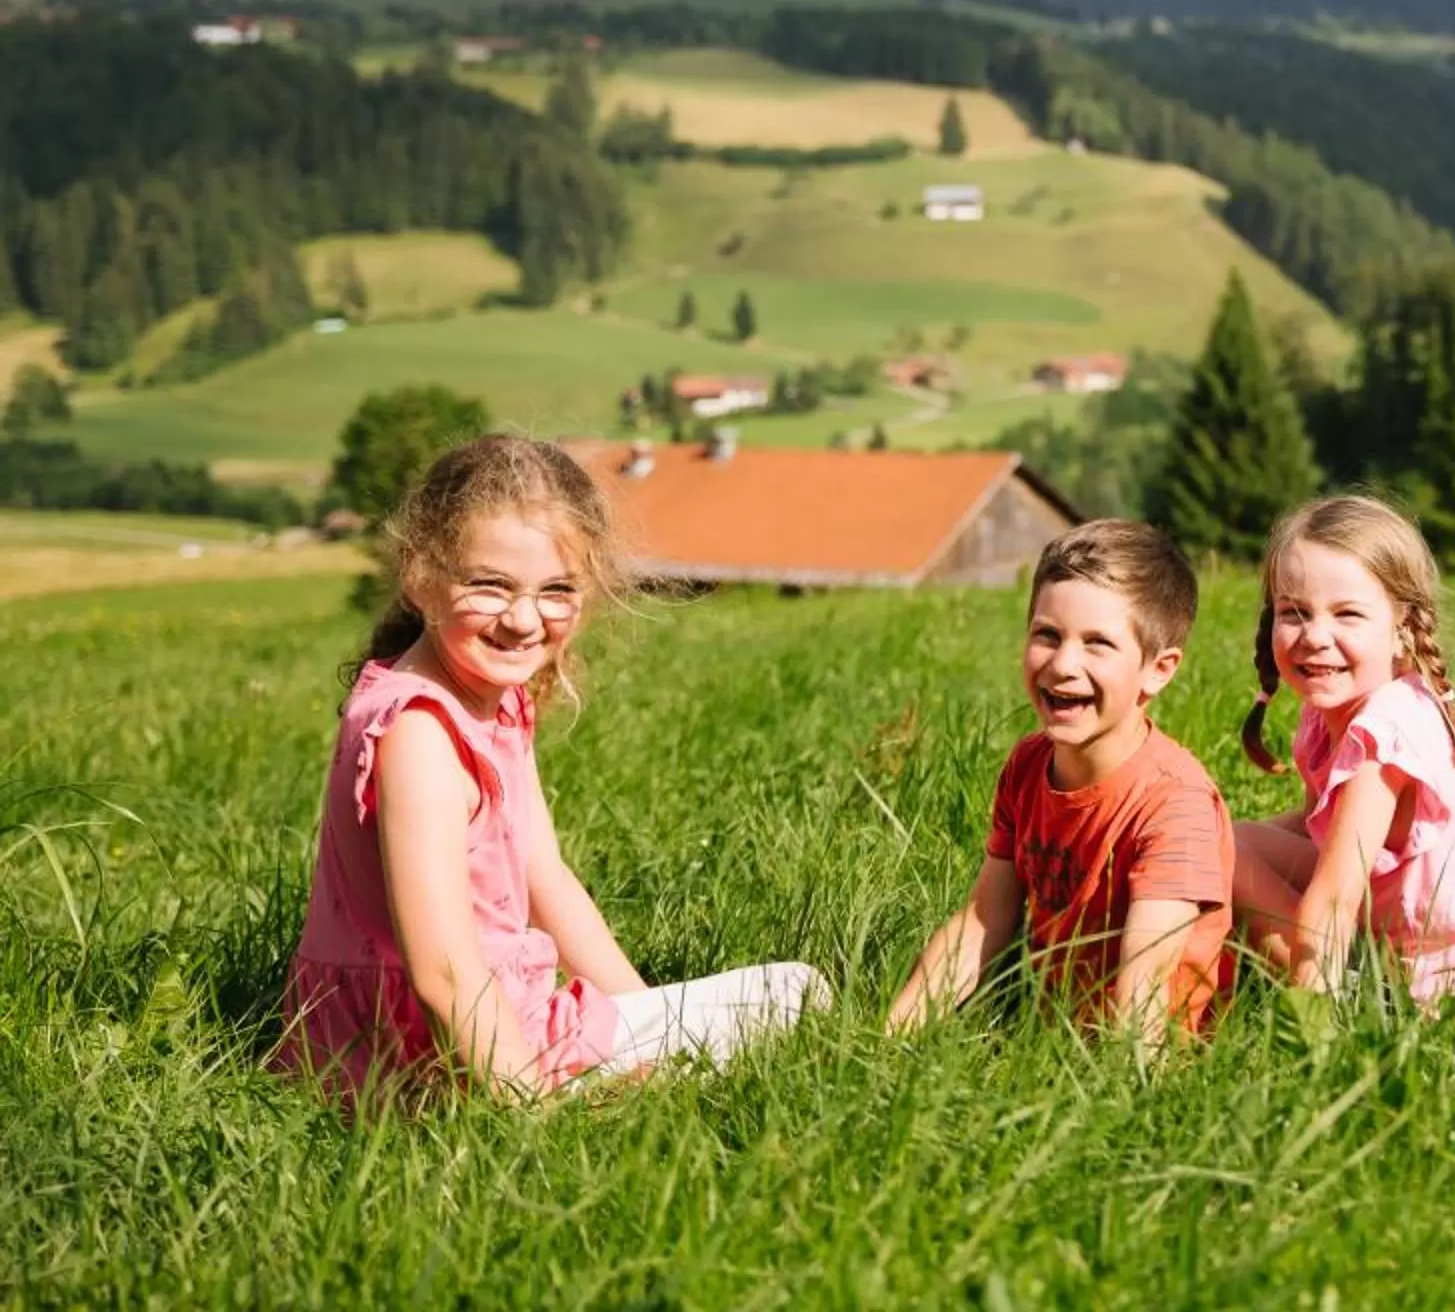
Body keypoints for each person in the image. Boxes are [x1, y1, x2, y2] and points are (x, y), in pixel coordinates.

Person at [273, 436, 824, 1103]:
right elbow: (442, 973)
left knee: (775, 1009)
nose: (523, 619)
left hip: (464, 1032)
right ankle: (570, 1102)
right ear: (420, 576)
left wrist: (647, 1019)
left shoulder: (491, 698)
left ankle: (622, 1086)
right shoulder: (421, 733)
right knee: (799, 995)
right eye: (490, 585)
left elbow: (545, 879)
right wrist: (530, 1120)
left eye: (557, 590)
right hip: (423, 1059)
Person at [889, 519, 1234, 1041]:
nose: (1063, 664)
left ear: (1158, 670)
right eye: (1047, 635)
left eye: (1098, 644)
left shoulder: (1174, 803)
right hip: (1048, 1034)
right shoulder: (1028, 766)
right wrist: (889, 1038)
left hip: (1147, 1059)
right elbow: (984, 922)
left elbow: (1145, 989)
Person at [1229, 495, 1455, 1003]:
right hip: (1423, 948)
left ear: (1402, 632)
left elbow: (1333, 896)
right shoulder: (1340, 712)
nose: (1315, 636)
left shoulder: (1384, 733)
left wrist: (1314, 1036)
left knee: (1217, 855)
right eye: (1294, 612)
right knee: (1216, 836)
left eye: (1347, 614)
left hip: (1435, 989)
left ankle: (1329, 999)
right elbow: (1319, 830)